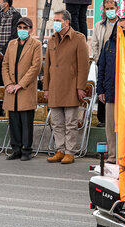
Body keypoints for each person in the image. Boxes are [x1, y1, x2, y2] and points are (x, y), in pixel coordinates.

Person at [43, 10, 89, 164]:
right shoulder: (52, 39)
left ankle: (70, 152)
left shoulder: (78, 38)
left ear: (67, 22)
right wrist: (46, 88)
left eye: (58, 20)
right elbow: (47, 66)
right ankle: (60, 150)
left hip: (71, 86)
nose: (55, 22)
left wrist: (80, 87)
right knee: (56, 122)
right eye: (54, 19)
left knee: (70, 122)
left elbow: (83, 65)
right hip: (54, 87)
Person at [97, 17, 125, 164]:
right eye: (118, 27)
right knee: (111, 128)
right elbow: (101, 68)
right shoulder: (109, 44)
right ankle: (112, 156)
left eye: (123, 28)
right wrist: (100, 90)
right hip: (110, 93)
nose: (120, 30)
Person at [2, 17, 42, 161]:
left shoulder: (36, 44)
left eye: (25, 28)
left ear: (30, 29)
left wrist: (20, 84)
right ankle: (16, 149)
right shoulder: (11, 44)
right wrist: (9, 84)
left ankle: (26, 150)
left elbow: (35, 67)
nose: (22, 30)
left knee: (26, 121)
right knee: (13, 121)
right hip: (11, 89)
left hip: (25, 89)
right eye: (20, 28)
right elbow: (5, 64)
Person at [91, 0, 120, 127]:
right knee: (102, 87)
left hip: (117, 62)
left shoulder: (122, 24)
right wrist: (98, 59)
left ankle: (116, 118)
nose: (109, 11)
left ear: (117, 8)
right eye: (107, 8)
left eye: (111, 8)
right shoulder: (99, 25)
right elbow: (95, 43)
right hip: (103, 61)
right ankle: (102, 119)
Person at [0, 0, 21, 116]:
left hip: (9, 52)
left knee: (8, 79)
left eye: (0, 1)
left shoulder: (16, 15)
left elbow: (14, 35)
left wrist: (3, 52)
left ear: (7, 3)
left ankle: (9, 108)